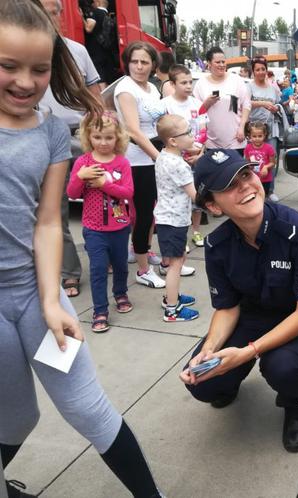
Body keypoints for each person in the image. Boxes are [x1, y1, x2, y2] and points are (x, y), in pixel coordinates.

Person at [0, 1, 161, 496]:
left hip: (33, 293)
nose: (25, 81)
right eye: (8, 66)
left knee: (90, 409)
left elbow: (49, 222)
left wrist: (51, 301)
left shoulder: (51, 132)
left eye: (40, 69)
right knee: (16, 416)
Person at [179, 149, 298, 453]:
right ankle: (227, 377)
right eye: (230, 185)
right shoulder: (216, 244)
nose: (246, 185)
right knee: (202, 381)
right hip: (251, 318)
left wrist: (247, 353)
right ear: (213, 205)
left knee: (283, 367)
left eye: (246, 174)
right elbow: (227, 306)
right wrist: (209, 351)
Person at [40, 0, 102, 299]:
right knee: (53, 209)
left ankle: (106, 255)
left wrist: (99, 127)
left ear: (60, 15)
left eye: (51, 10)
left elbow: (95, 94)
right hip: (38, 134)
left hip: (78, 136)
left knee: (97, 200)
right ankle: (68, 272)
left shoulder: (77, 50)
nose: (47, 16)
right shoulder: (20, 47)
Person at [66, 111, 134, 333]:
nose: (103, 143)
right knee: (97, 269)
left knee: (121, 264)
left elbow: (128, 192)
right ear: (88, 137)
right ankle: (100, 310)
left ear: (118, 138)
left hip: (119, 226)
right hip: (94, 228)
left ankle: (121, 292)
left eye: (109, 137)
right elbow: (72, 192)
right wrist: (80, 176)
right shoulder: (83, 163)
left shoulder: (121, 163)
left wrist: (104, 184)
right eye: (97, 137)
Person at [114, 41, 165, 289]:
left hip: (153, 156)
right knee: (143, 214)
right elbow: (133, 130)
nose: (139, 66)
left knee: (151, 211)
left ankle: (143, 250)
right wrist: (158, 156)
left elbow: (159, 122)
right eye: (134, 61)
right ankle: (143, 270)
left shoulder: (152, 89)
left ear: (153, 65)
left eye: (144, 61)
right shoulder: (126, 89)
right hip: (136, 160)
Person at [153, 114, 200, 321]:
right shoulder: (178, 165)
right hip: (173, 221)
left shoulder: (164, 156)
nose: (192, 135)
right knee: (175, 264)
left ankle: (170, 296)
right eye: (187, 132)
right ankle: (172, 309)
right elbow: (195, 195)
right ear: (173, 140)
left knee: (178, 259)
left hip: (168, 219)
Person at [160, 64, 207, 247]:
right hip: (175, 160)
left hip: (195, 157)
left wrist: (200, 153)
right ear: (172, 84)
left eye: (190, 82)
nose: (188, 86)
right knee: (179, 197)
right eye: (183, 83)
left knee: (197, 195)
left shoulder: (197, 104)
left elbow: (204, 131)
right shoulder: (165, 105)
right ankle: (181, 233)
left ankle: (196, 230)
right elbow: (162, 133)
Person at [193, 47, 251, 155]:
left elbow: (246, 105)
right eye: (217, 62)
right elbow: (196, 113)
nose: (221, 65)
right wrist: (206, 104)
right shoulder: (200, 84)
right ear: (209, 63)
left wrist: (242, 127)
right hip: (211, 142)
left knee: (235, 171)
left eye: (223, 62)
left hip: (236, 140)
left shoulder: (236, 80)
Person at [248, 56, 282, 202]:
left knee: (270, 158)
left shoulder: (273, 88)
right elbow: (245, 104)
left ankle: (270, 190)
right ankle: (254, 189)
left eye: (263, 69)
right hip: (254, 130)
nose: (261, 72)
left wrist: (276, 109)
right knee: (254, 160)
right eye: (258, 69)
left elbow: (279, 105)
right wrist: (261, 103)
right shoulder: (248, 87)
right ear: (253, 71)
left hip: (271, 128)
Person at [82, 0, 119, 87]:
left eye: (93, 2)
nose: (92, 4)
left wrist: (81, 16)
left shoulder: (95, 12)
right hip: (107, 52)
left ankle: (102, 100)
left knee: (100, 79)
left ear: (97, 2)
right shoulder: (109, 16)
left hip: (95, 52)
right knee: (107, 80)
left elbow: (88, 28)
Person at [244, 121, 276, 198]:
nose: (257, 139)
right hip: (253, 178)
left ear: (264, 135)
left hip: (266, 179)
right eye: (254, 136)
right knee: (254, 196)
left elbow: (273, 163)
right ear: (250, 136)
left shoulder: (269, 148)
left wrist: (266, 167)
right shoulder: (248, 148)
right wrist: (248, 167)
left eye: (260, 136)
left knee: (264, 197)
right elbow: (247, 161)